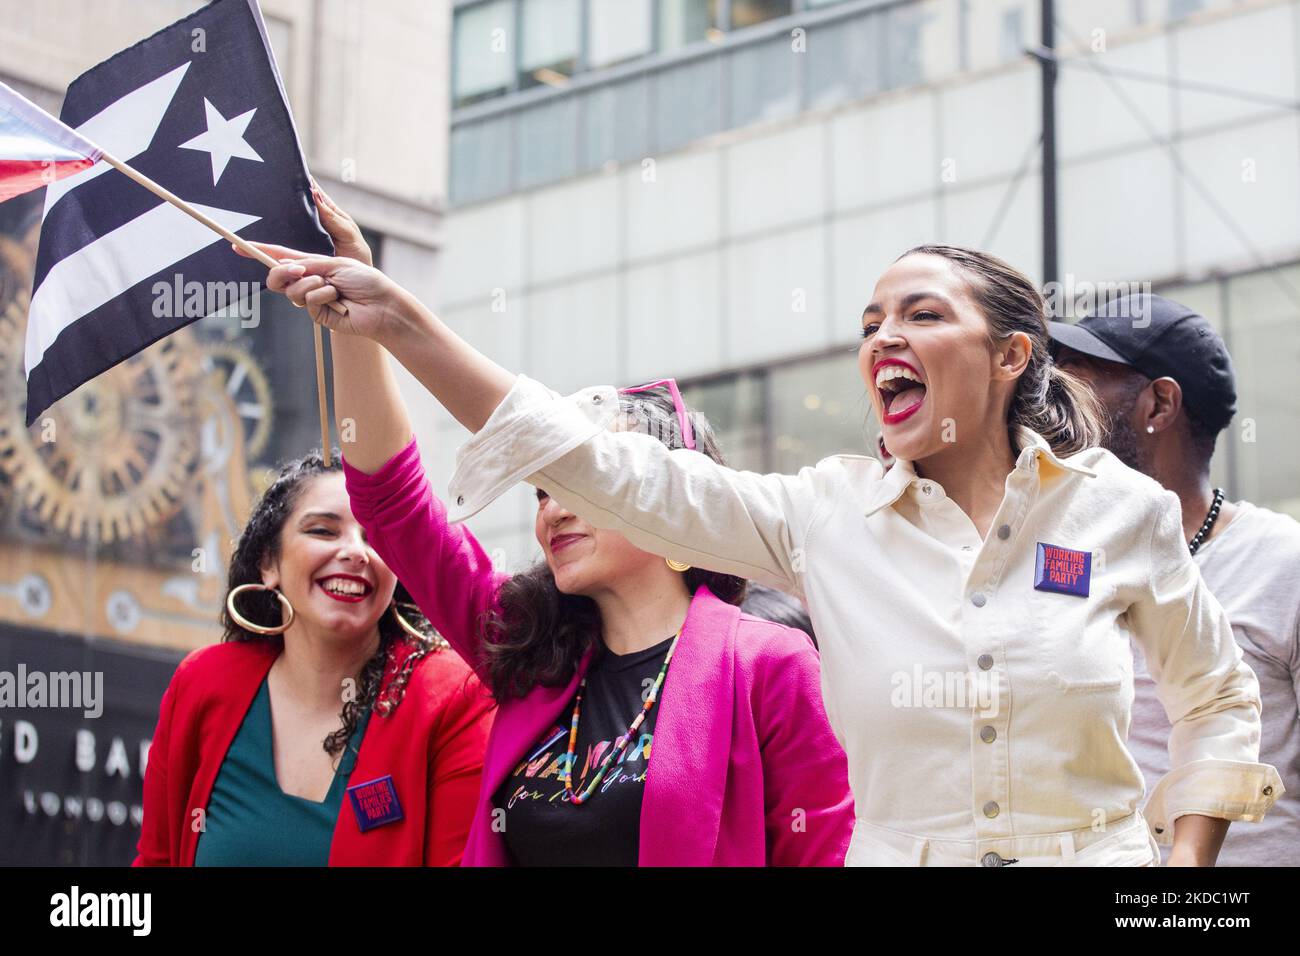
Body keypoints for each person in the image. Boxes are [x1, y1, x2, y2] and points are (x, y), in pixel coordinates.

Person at [252, 239, 1284, 866]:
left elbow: (1216, 702)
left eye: (923, 315)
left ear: (1011, 356)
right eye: (870, 320)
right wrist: (402, 324)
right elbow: (601, 467)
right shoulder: (824, 514)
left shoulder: (1119, 515)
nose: (884, 337)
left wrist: (1180, 870)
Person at [236, 185, 854, 867]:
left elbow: (823, 853)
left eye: (578, 487)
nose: (553, 508)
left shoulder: (768, 666)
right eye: (539, 492)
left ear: (670, 497)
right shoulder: (528, 649)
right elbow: (392, 506)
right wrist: (357, 328)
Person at [134, 450, 495, 866]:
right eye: (323, 531)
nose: (356, 552)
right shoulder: (203, 682)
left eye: (375, 537)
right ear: (268, 563)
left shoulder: (453, 697)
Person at [1051, 293, 1300, 866]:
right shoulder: (1058, 560)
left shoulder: (1281, 563)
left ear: (1159, 404)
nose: (1055, 400)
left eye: (1080, 378)